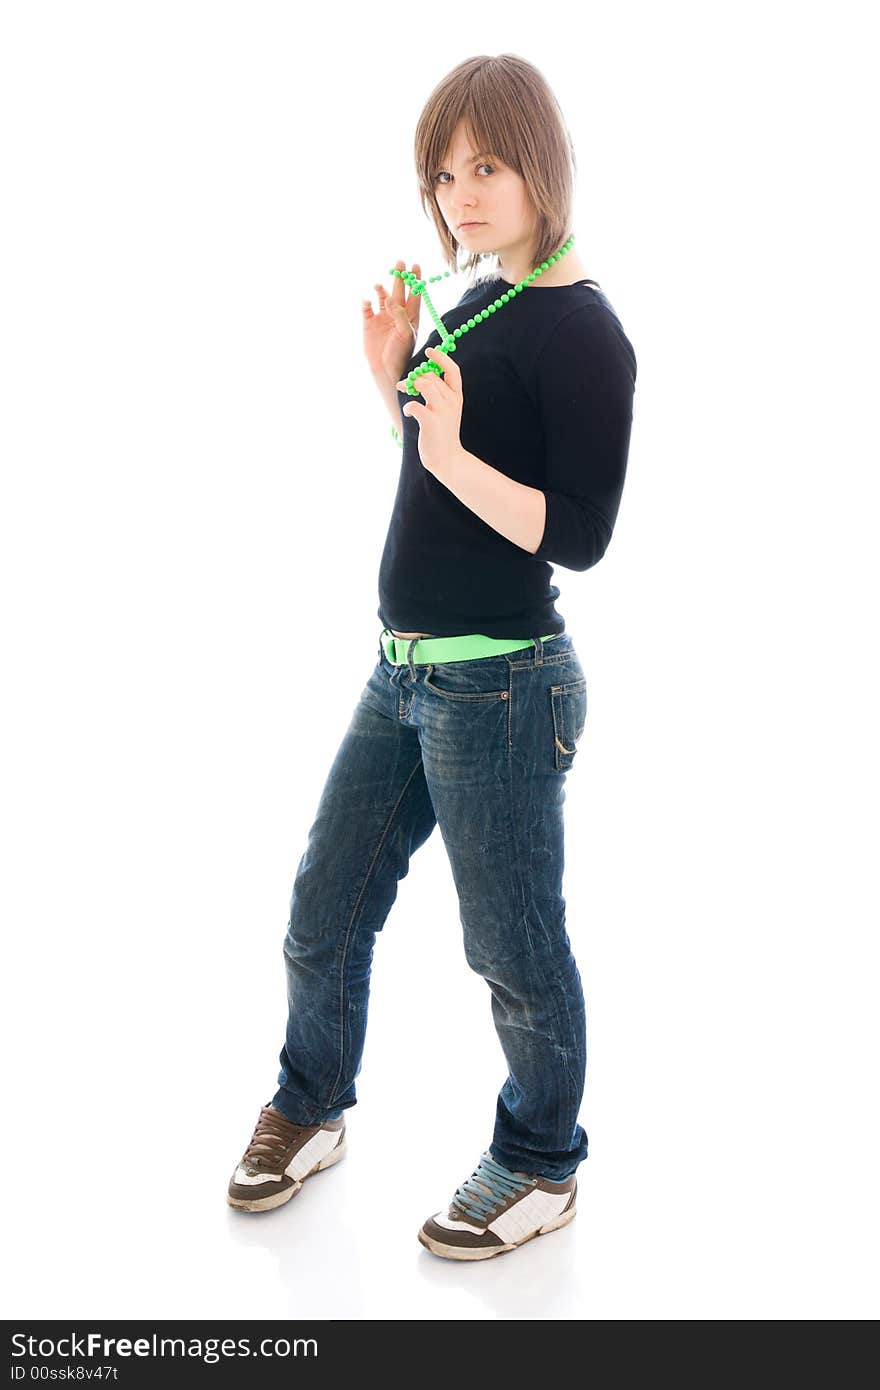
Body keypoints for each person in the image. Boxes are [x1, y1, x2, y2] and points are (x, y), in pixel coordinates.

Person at [227, 53, 637, 1262]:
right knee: (323, 901)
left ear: (540, 168)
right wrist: (393, 377)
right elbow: (443, 473)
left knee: (511, 946)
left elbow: (579, 533)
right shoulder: (482, 300)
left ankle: (540, 1163)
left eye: (488, 165)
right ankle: (310, 1104)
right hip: (403, 672)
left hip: (503, 684)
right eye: (444, 172)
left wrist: (447, 448)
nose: (462, 193)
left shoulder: (585, 331)